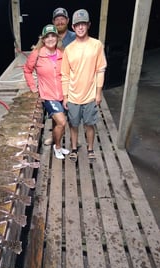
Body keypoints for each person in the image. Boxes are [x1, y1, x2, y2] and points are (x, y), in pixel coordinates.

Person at [61, 9, 107, 162]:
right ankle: (74, 148)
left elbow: (100, 70)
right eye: (77, 25)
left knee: (89, 124)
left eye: (83, 24)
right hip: (73, 95)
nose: (80, 28)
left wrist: (98, 93)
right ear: (73, 27)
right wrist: (65, 96)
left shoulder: (96, 45)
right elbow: (65, 75)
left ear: (88, 25)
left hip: (90, 95)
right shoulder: (69, 49)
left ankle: (90, 149)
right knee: (73, 124)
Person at [23, 24, 69, 159]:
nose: (50, 39)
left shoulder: (63, 53)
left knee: (57, 122)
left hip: (63, 94)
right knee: (62, 122)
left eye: (53, 35)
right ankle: (58, 147)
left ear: (57, 37)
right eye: (47, 36)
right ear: (42, 39)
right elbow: (27, 70)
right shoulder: (36, 54)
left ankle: (55, 141)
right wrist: (33, 87)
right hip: (48, 95)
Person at [44, 7, 76, 146]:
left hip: (72, 81)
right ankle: (54, 137)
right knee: (55, 114)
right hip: (54, 84)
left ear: (68, 21)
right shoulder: (50, 37)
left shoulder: (75, 37)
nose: (60, 21)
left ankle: (73, 140)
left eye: (63, 18)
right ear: (53, 22)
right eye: (57, 19)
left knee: (73, 113)